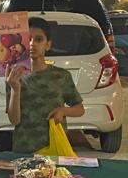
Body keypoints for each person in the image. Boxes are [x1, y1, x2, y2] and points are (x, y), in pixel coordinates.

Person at [5, 17, 84, 154]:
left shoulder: (61, 76)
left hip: (55, 147)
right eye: (28, 39)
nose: (32, 44)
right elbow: (14, 120)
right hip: (24, 149)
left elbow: (80, 109)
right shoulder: (14, 77)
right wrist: (15, 89)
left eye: (39, 39)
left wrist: (63, 111)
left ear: (48, 45)